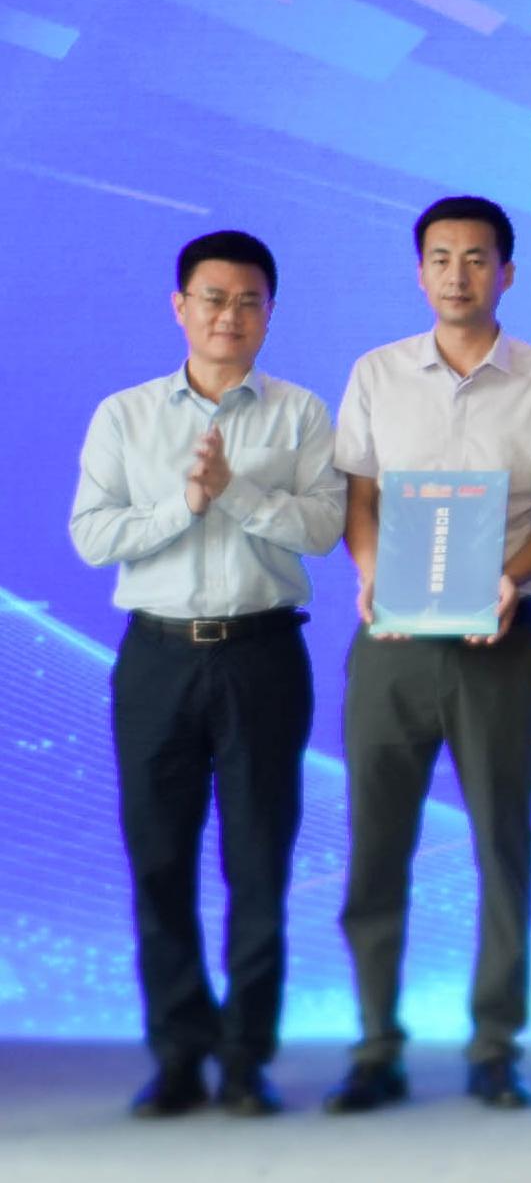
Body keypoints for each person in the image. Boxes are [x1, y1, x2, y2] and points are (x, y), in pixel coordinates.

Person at [70, 230, 345, 1119]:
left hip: (263, 654)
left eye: (249, 301)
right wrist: (184, 504)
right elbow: (91, 535)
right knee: (160, 861)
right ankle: (179, 1054)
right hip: (156, 658)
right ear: (180, 305)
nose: (230, 315)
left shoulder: (301, 413)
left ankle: (244, 1058)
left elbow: (321, 530)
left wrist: (235, 494)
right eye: (213, 298)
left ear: (270, 312)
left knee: (259, 862)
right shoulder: (125, 415)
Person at [327, 196, 531, 1114]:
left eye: (477, 258)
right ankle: (374, 1045)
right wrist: (370, 573)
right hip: (392, 643)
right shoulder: (377, 373)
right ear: (419, 270)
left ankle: (494, 1046)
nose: (458, 274)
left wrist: (506, 581)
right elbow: (360, 499)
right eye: (440, 257)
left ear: (507, 272)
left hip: (498, 644)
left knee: (502, 843)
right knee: (376, 844)